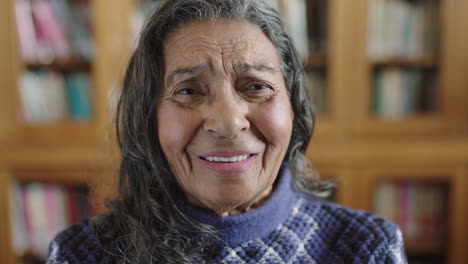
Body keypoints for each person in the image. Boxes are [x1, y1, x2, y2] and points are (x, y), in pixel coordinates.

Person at [47, 0, 407, 263]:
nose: (228, 122)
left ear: (294, 106)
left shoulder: (366, 248)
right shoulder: (82, 254)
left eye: (255, 87)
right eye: (188, 91)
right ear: (149, 117)